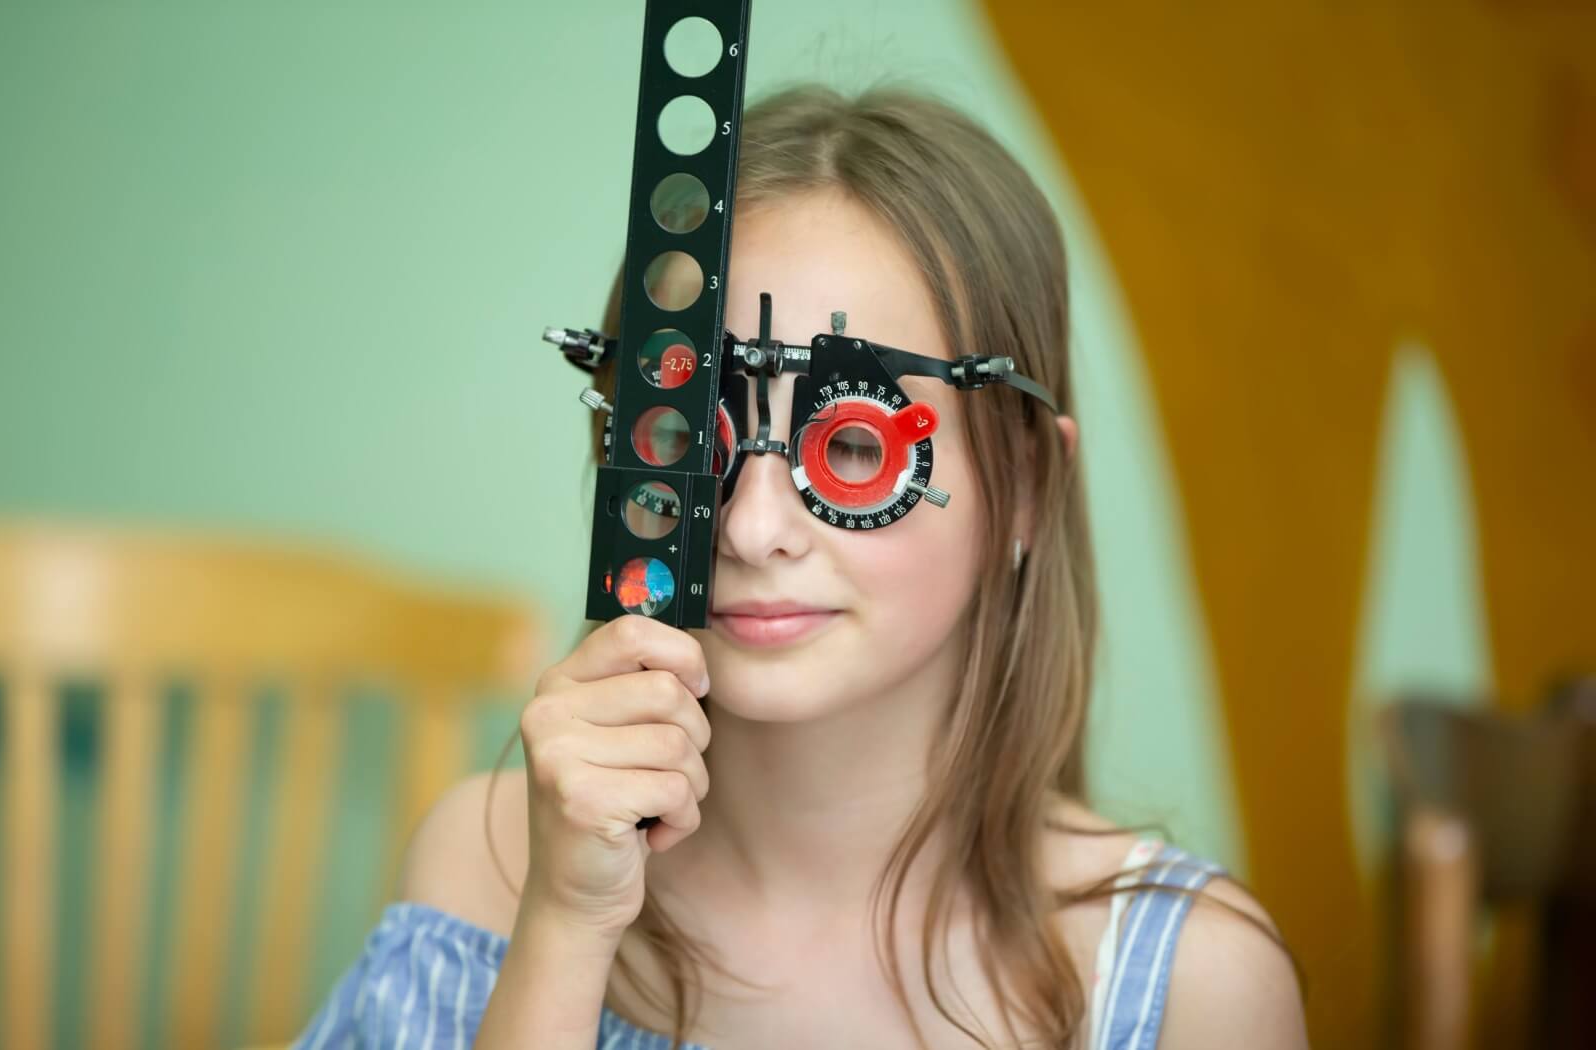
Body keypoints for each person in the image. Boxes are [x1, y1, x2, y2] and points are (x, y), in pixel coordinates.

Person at [292, 83, 1310, 1049]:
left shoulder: (1190, 985)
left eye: (856, 447)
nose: (750, 529)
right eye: (700, 438)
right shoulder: (488, 867)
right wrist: (565, 924)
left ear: (1029, 484)